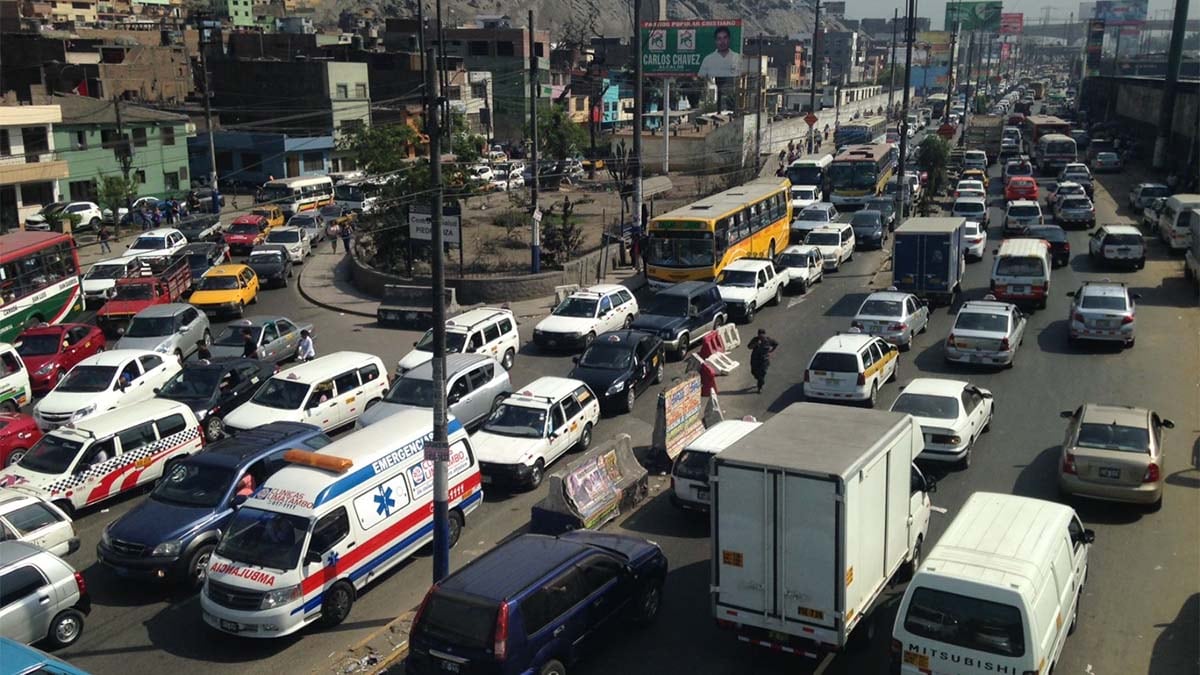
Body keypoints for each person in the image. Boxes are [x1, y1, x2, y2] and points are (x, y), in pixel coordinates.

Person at [747, 329, 779, 394]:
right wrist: (755, 344)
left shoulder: (768, 340)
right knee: (754, 372)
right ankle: (760, 380)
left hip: (764, 361)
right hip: (755, 360)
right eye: (759, 335)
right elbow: (749, 347)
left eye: (762, 335)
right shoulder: (755, 339)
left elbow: (776, 344)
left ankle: (760, 387)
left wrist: (771, 350)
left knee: (762, 374)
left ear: (764, 334)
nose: (761, 336)